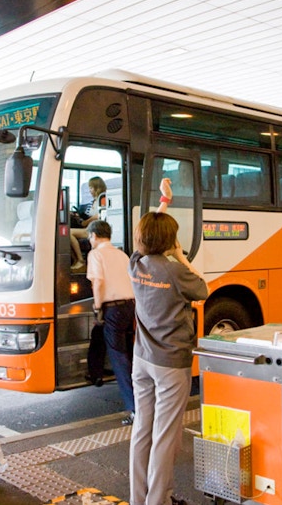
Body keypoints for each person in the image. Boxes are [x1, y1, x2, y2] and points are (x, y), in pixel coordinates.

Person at [128, 179, 208, 505]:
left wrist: (163, 203)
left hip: (142, 360)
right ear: (169, 241)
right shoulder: (174, 271)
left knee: (142, 430)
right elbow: (202, 289)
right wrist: (180, 256)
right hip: (171, 363)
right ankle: (157, 501)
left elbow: (148, 234)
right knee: (165, 436)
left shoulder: (136, 264)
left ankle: (139, 499)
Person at [86, 219, 136, 425]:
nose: (89, 240)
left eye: (90, 237)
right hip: (129, 306)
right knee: (101, 337)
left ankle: (134, 409)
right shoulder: (122, 254)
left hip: (112, 308)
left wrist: (97, 307)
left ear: (95, 236)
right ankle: (95, 374)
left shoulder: (96, 254)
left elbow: (98, 282)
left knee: (119, 357)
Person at [71, 176, 107, 270]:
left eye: (91, 188)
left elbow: (100, 215)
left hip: (95, 229)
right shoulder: (93, 202)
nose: (90, 190)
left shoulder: (103, 199)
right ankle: (76, 260)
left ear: (97, 187)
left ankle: (80, 260)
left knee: (68, 233)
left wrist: (87, 221)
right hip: (89, 227)